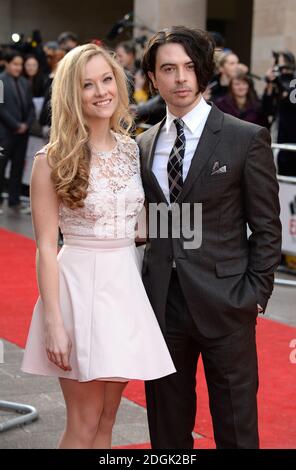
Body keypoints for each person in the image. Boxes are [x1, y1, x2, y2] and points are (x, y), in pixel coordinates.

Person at [21, 43, 175, 449]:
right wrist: (54, 322)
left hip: (124, 287)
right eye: (88, 85)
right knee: (84, 422)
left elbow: (139, 218)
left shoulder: (131, 149)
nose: (101, 91)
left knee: (108, 419)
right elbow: (44, 247)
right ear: (73, 94)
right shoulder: (51, 159)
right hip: (80, 292)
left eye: (107, 80)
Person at [137, 26, 282, 449]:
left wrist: (255, 293)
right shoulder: (145, 144)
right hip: (164, 306)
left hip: (228, 301)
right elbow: (169, 223)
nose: (180, 78)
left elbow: (267, 227)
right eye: (168, 69)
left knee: (236, 428)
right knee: (167, 429)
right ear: (153, 78)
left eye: (189, 67)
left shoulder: (244, 137)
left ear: (203, 73)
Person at [0, 49, 35, 214]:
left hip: (22, 134)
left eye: (20, 64)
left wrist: (26, 125)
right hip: (5, 133)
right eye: (15, 64)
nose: (18, 67)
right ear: (6, 63)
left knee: (18, 168)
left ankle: (14, 201)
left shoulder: (24, 82)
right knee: (1, 167)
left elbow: (30, 107)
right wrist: (15, 125)